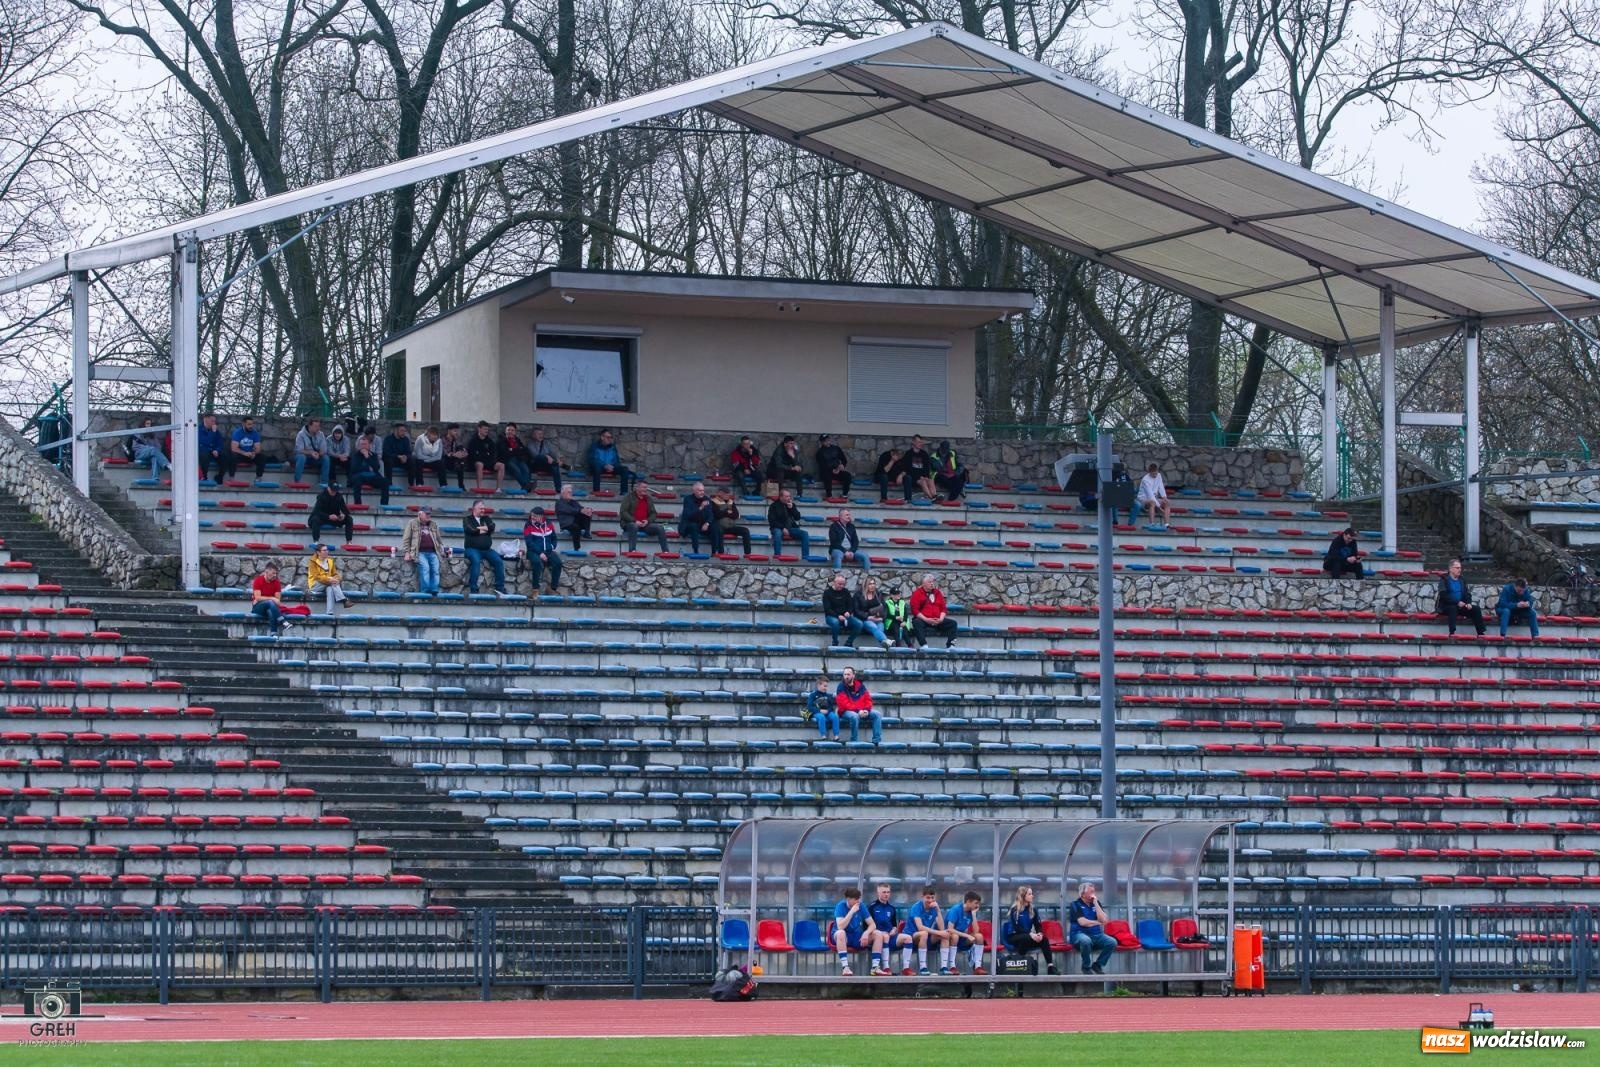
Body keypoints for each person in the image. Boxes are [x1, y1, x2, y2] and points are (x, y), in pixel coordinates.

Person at [1000, 884, 1057, 975]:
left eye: (1032, 894)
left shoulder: (1032, 909)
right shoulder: (1015, 910)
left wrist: (1039, 934)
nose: (1032, 896)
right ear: (1023, 896)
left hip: (1027, 935)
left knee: (1044, 940)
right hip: (1014, 936)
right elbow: (1017, 928)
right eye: (1030, 894)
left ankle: (1050, 967)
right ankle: (1020, 964)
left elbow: (1038, 925)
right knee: (1026, 938)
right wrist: (1031, 934)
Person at [832, 886, 886, 977]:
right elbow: (841, 926)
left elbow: (873, 925)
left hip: (856, 935)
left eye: (858, 899)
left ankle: (875, 967)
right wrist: (851, 912)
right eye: (855, 899)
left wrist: (866, 933)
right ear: (848, 899)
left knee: (878, 934)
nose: (857, 901)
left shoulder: (861, 905)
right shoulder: (840, 906)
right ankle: (845, 967)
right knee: (841, 933)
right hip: (841, 937)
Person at [1067, 880, 1116, 975]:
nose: (1093, 894)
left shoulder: (1096, 903)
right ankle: (1086, 967)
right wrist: (1097, 922)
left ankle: (1098, 965)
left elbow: (1104, 920)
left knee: (1112, 942)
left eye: (1094, 891)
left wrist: (1096, 903)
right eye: (1090, 892)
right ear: (1083, 894)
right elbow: (1082, 922)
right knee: (1086, 941)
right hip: (1079, 934)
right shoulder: (1075, 904)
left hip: (1096, 935)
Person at [866, 883, 915, 976]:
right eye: (884, 892)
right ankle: (886, 967)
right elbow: (867, 927)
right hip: (877, 938)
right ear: (878, 893)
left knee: (908, 938)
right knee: (884, 936)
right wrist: (880, 932)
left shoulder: (891, 908)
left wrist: (894, 930)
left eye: (888, 892)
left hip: (890, 936)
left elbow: (894, 925)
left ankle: (906, 968)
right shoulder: (871, 907)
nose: (886, 894)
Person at [462, 501, 508, 596]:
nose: (483, 510)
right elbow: (470, 530)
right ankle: (473, 589)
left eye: (483, 508)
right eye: (480, 508)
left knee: (498, 561)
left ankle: (500, 588)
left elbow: (492, 527)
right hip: (472, 549)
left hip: (486, 549)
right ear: (474, 509)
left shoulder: (486, 518)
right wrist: (485, 529)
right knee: (476, 560)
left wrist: (479, 529)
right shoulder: (467, 519)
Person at [905, 885, 949, 976]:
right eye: (927, 898)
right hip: (912, 936)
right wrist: (939, 932)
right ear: (922, 897)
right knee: (924, 933)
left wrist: (938, 910)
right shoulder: (916, 907)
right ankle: (923, 967)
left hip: (926, 937)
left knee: (945, 935)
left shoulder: (934, 908)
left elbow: (942, 928)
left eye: (932, 898)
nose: (930, 900)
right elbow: (920, 927)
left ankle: (944, 967)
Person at [1436, 558, 1486, 636]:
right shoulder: (1444, 579)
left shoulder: (1462, 580)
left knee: (1476, 609)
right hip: (1446, 606)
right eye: (1457, 568)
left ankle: (1481, 633)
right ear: (1451, 569)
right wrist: (1457, 602)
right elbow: (1443, 595)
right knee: (1453, 608)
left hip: (1461, 605)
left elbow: (1467, 594)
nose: (1460, 570)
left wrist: (1468, 603)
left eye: (1460, 568)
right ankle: (1452, 632)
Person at [401, 507, 444, 595]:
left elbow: (439, 540)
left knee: (435, 570)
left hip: (433, 552)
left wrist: (441, 549)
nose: (429, 516)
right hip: (419, 552)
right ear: (420, 514)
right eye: (426, 514)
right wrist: (407, 552)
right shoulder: (412, 523)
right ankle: (425, 590)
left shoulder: (434, 524)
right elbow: (406, 539)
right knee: (425, 568)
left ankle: (434, 589)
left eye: (429, 514)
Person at [942, 891, 987, 975]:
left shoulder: (971, 912)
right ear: (968, 902)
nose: (978, 906)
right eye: (976, 903)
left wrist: (973, 915)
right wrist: (966, 935)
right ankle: (952, 966)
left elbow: (976, 931)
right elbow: (950, 929)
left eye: (978, 904)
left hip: (961, 939)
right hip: (949, 939)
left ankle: (977, 967)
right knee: (955, 936)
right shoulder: (955, 910)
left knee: (979, 936)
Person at [521, 506, 563, 593]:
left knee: (558, 563)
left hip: (548, 550)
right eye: (531, 515)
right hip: (533, 551)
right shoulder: (528, 525)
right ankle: (535, 589)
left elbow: (554, 538)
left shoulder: (549, 524)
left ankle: (553, 589)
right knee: (536, 562)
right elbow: (529, 543)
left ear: (541, 517)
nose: (532, 517)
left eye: (535, 516)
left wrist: (551, 547)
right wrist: (540, 553)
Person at [910, 573, 958, 648]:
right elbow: (915, 610)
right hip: (924, 619)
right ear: (923, 584)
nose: (932, 584)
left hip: (937, 619)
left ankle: (951, 645)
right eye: (929, 582)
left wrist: (941, 619)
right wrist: (926, 619)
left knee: (953, 623)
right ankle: (923, 644)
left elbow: (943, 608)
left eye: (932, 582)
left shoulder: (937, 593)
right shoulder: (917, 594)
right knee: (916, 622)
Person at [835, 665, 880, 744]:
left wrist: (866, 710)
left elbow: (868, 699)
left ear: (853, 675)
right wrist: (858, 711)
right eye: (844, 674)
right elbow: (844, 704)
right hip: (845, 711)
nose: (846, 677)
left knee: (877, 714)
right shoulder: (841, 687)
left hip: (861, 710)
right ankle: (854, 740)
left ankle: (876, 740)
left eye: (848, 674)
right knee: (854, 716)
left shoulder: (860, 686)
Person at [620, 482, 668, 553]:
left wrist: (648, 521)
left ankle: (665, 551)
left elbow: (653, 513)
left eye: (646, 487)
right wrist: (635, 521)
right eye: (643, 487)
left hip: (645, 524)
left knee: (660, 528)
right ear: (637, 488)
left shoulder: (648, 499)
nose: (645, 489)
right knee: (634, 526)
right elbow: (623, 512)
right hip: (630, 523)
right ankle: (632, 550)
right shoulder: (629, 497)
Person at [767, 488, 811, 558]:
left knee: (805, 534)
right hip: (777, 528)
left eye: (789, 496)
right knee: (778, 533)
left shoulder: (791, 505)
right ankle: (777, 555)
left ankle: (805, 557)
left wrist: (792, 508)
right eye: (786, 496)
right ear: (781, 497)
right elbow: (772, 521)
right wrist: (782, 528)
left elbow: (798, 517)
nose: (788, 498)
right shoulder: (773, 506)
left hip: (790, 528)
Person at [250, 562, 292, 635]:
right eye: (273, 573)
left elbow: (277, 601)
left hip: (271, 608)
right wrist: (272, 598)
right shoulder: (258, 580)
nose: (275, 575)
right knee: (270, 602)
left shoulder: (277, 583)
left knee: (270, 611)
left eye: (276, 573)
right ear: (266, 572)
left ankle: (274, 633)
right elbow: (258, 598)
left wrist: (272, 600)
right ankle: (282, 621)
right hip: (258, 608)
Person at [305, 543, 349, 612]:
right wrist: (329, 579)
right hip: (315, 585)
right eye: (324, 550)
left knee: (330, 589)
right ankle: (344, 600)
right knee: (331, 584)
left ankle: (329, 613)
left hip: (328, 583)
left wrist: (337, 579)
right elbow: (317, 577)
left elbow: (335, 574)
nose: (327, 552)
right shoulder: (312, 562)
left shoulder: (330, 561)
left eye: (327, 550)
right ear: (318, 552)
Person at [677, 481, 719, 554]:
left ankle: (714, 552)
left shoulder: (707, 499)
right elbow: (688, 515)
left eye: (703, 490)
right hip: (689, 524)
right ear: (694, 491)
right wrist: (700, 508)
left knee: (714, 527)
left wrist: (707, 523)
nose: (702, 492)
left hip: (702, 524)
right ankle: (696, 551)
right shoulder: (688, 499)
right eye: (700, 490)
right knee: (694, 526)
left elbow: (711, 514)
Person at [852, 576, 893, 649]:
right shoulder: (858, 595)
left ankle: (885, 643)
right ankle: (887, 641)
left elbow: (884, 608)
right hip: (865, 619)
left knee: (880, 627)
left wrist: (882, 618)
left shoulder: (878, 594)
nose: (872, 586)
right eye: (870, 584)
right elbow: (856, 611)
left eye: (873, 584)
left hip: (878, 619)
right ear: (865, 585)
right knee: (873, 626)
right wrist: (868, 617)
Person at [822, 572, 863, 647]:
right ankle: (835, 642)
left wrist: (848, 612)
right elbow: (827, 609)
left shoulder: (846, 591)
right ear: (834, 583)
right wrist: (838, 616)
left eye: (843, 584)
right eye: (839, 584)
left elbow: (850, 605)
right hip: (832, 616)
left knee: (859, 624)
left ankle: (849, 642)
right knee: (835, 622)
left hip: (845, 616)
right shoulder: (827, 593)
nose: (841, 586)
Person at [229, 416, 276, 480]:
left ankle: (258, 478)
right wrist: (244, 453)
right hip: (241, 454)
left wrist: (254, 453)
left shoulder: (255, 433)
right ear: (243, 424)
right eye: (249, 424)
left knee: (262, 457)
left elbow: (258, 448)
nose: (251, 426)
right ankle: (231, 478)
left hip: (250, 455)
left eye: (252, 424)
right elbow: (234, 448)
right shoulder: (237, 433)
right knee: (232, 456)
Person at [587, 429, 632, 493]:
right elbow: (591, 460)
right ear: (602, 437)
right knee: (596, 468)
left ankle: (624, 493)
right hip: (600, 467)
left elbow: (616, 461)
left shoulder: (613, 447)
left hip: (611, 467)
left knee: (625, 469)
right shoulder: (594, 446)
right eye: (608, 437)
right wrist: (604, 465)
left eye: (611, 437)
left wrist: (612, 466)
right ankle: (596, 492)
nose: (609, 439)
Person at [711, 487, 753, 555]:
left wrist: (724, 512)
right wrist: (728, 512)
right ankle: (720, 552)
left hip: (731, 526)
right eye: (725, 494)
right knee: (718, 531)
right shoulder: (714, 502)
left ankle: (748, 553)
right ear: (720, 493)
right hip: (720, 525)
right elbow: (717, 514)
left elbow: (736, 515)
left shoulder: (731, 502)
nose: (727, 496)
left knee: (745, 531)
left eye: (728, 494)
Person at [348, 435, 389, 505]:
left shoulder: (373, 455)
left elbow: (376, 468)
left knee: (385, 481)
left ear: (369, 445)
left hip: (372, 477)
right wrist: (368, 468)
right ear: (359, 446)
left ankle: (384, 504)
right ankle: (358, 504)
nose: (363, 446)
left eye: (365, 444)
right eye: (361, 444)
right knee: (357, 481)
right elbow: (354, 469)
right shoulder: (355, 455)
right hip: (359, 477)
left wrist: (367, 457)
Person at [466, 421, 504, 491]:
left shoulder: (489, 441)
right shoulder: (473, 441)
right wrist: (484, 456)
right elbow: (472, 455)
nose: (487, 431)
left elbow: (492, 454)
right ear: (479, 429)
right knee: (480, 464)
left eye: (487, 429)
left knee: (501, 465)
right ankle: (479, 487)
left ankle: (498, 488)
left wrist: (486, 458)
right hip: (475, 463)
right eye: (485, 429)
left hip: (488, 462)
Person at [895, 435, 935, 501]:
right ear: (913, 442)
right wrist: (901, 475)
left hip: (922, 477)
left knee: (931, 480)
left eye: (921, 442)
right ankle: (931, 498)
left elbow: (927, 468)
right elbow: (906, 468)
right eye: (919, 442)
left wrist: (925, 476)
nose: (920, 444)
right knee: (923, 482)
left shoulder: (924, 454)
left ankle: (935, 496)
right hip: (913, 478)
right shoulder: (908, 454)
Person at [554, 484, 593, 550]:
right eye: (569, 492)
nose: (571, 493)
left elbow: (580, 508)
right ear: (563, 493)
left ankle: (587, 532)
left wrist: (588, 510)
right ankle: (576, 548)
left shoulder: (573, 502)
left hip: (575, 521)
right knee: (576, 527)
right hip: (567, 524)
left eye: (571, 492)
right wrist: (581, 510)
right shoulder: (559, 503)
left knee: (586, 512)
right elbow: (569, 510)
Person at [293, 418, 330, 485]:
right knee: (301, 457)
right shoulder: (301, 434)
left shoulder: (321, 434)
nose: (318, 428)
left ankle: (324, 483)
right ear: (310, 426)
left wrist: (319, 454)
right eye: (315, 426)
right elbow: (299, 449)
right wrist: (311, 453)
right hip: (304, 457)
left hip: (316, 457)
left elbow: (324, 449)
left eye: (318, 426)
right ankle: (297, 481)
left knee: (326, 458)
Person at [499, 422, 535, 492]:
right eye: (508, 430)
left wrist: (513, 450)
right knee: (516, 470)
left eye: (512, 430)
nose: (510, 432)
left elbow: (523, 450)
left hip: (518, 459)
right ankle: (526, 486)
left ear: (515, 432)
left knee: (526, 469)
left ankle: (525, 487)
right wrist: (515, 450)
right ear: (505, 431)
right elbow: (504, 452)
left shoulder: (517, 440)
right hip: (507, 460)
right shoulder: (501, 440)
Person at [526, 426, 562, 491]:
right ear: (533, 435)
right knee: (540, 457)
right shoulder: (530, 444)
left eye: (542, 434)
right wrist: (546, 456)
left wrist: (558, 459)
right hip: (535, 465)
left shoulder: (546, 443)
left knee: (555, 466)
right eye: (538, 434)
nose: (541, 436)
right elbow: (535, 455)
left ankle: (558, 489)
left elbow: (553, 453)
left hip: (546, 465)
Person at [1136, 462, 1171, 528]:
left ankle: (1166, 524)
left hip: (1154, 498)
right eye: (1153, 474)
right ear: (1149, 472)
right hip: (1143, 499)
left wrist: (1164, 497)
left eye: (1156, 473)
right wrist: (1159, 507)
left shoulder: (1159, 475)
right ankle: (1151, 523)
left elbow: (1161, 487)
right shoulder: (1145, 480)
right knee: (1152, 502)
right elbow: (1150, 495)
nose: (1155, 475)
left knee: (1167, 502)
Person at [806, 675, 841, 741]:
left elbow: (831, 706)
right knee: (821, 717)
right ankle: (823, 735)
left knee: (835, 717)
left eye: (827, 686)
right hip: (817, 712)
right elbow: (809, 707)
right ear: (819, 685)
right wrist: (819, 711)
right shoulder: (813, 695)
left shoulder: (827, 696)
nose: (826, 688)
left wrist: (828, 710)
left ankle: (836, 735)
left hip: (827, 712)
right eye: (824, 686)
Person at [381, 423, 414, 487]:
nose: (404, 433)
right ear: (396, 430)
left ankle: (411, 484)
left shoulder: (405, 440)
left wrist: (405, 457)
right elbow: (386, 453)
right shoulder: (388, 439)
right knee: (388, 460)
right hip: (393, 459)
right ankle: (389, 484)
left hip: (402, 461)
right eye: (402, 431)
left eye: (405, 431)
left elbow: (409, 452)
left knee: (412, 461)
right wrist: (398, 456)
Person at [197, 412, 226, 482]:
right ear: (205, 420)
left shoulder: (216, 431)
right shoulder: (199, 430)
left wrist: (217, 450)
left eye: (214, 421)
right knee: (204, 456)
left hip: (213, 452)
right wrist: (213, 432)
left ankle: (220, 477)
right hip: (203, 452)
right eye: (212, 421)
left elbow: (220, 443)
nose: (214, 423)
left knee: (225, 456)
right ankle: (204, 477)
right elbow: (206, 441)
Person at [439, 424, 468, 489]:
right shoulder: (442, 439)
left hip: (454, 461)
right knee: (442, 461)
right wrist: (454, 454)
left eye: (457, 431)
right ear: (449, 431)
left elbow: (463, 449)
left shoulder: (457, 440)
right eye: (455, 431)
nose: (457, 433)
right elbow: (443, 452)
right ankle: (444, 485)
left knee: (461, 462)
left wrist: (463, 453)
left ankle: (461, 486)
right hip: (445, 460)